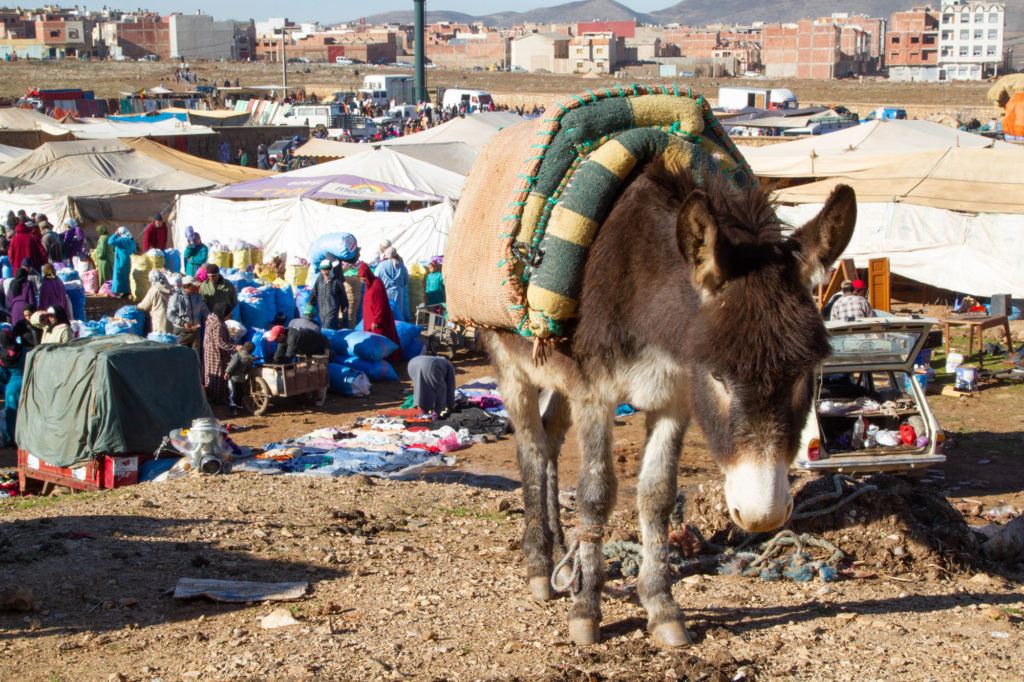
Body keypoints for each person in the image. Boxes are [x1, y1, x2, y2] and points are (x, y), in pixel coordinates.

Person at [358, 262, 401, 361]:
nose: (362, 280)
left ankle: (387, 359)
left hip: (378, 322)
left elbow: (379, 305)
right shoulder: (369, 285)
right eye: (361, 277)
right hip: (370, 319)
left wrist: (377, 321)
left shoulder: (376, 284)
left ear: (368, 274)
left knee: (381, 340)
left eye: (363, 277)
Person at [202, 302, 236, 404]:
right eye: (228, 314)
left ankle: (215, 397)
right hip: (215, 353)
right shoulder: (217, 325)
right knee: (217, 373)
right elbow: (220, 342)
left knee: (212, 372)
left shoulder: (213, 318)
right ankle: (216, 399)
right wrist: (235, 347)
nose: (230, 315)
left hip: (210, 350)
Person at [168, 275, 208, 352]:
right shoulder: (176, 297)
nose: (197, 288)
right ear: (187, 286)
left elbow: (205, 310)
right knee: (181, 355)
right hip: (181, 332)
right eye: (194, 286)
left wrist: (210, 318)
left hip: (195, 331)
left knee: (195, 355)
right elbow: (170, 315)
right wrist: (183, 323)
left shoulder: (198, 297)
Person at [0, 331, 25, 447]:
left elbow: (3, 375)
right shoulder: (25, 351)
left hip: (12, 388)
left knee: (12, 415)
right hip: (27, 384)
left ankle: (13, 439)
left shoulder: (2, 355)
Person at [309, 259, 348, 330]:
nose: (325, 272)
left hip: (332, 311)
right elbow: (314, 293)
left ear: (331, 269)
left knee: (328, 328)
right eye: (323, 270)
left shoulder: (336, 281)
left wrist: (342, 314)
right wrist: (310, 305)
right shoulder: (319, 280)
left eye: (327, 270)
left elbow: (343, 298)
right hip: (321, 312)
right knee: (322, 329)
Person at [374, 246, 410, 322]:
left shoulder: (381, 265)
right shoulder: (401, 266)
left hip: (385, 293)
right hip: (398, 294)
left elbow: (375, 279)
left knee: (386, 315)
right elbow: (406, 280)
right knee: (398, 315)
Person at [225, 342, 256, 415]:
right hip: (242, 378)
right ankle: (239, 408)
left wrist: (227, 372)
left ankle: (233, 411)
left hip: (234, 378)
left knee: (232, 394)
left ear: (243, 347)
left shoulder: (238, 355)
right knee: (239, 393)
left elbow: (232, 365)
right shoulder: (250, 358)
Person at [108, 226, 137, 299]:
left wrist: (115, 234)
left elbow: (110, 241)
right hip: (129, 260)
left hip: (120, 260)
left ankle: (121, 291)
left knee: (120, 276)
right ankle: (127, 291)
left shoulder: (121, 240)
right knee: (127, 275)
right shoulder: (131, 240)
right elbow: (134, 250)